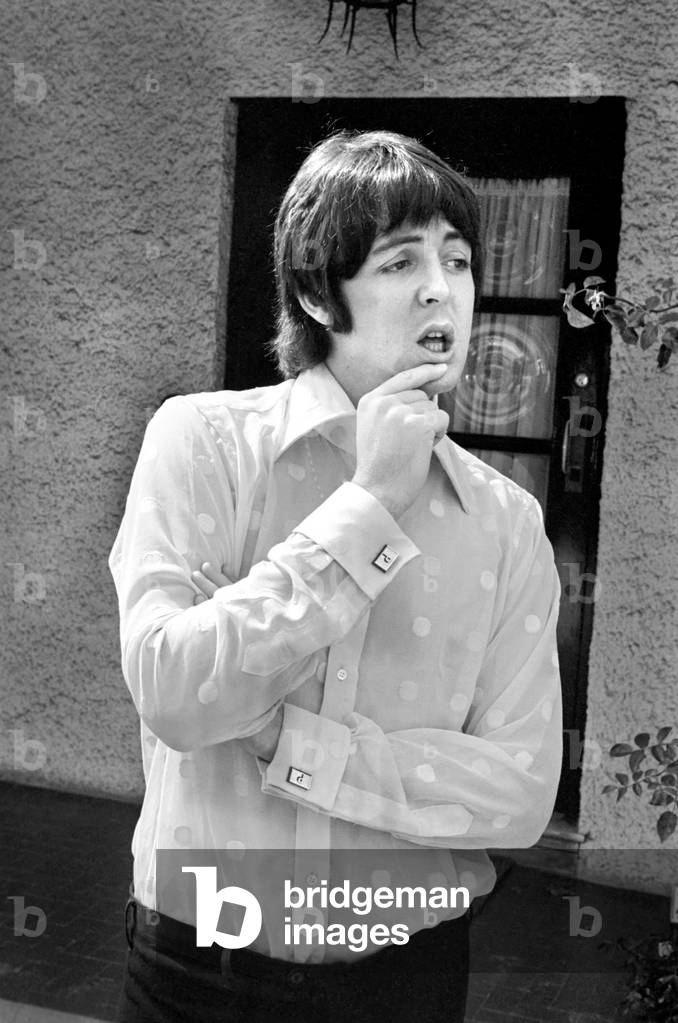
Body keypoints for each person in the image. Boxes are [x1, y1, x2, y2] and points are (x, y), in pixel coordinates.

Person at [109, 129, 562, 1023]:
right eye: (401, 261)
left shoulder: (506, 522)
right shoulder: (201, 443)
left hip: (407, 978)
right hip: (197, 975)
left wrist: (298, 746)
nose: (444, 288)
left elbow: (519, 790)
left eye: (460, 259)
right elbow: (173, 689)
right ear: (319, 290)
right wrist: (370, 504)